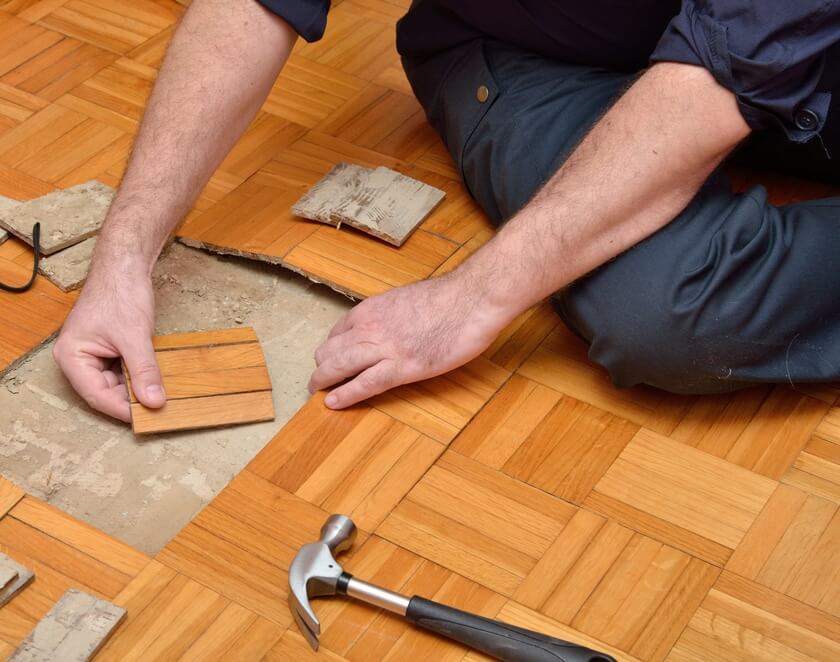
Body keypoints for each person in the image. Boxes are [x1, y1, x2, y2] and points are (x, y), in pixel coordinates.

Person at [54, 0, 840, 422]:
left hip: (802, 39)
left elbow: (723, 72)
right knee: (669, 312)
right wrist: (123, 256)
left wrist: (468, 298)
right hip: (542, 55)